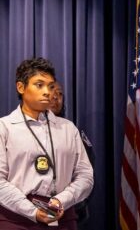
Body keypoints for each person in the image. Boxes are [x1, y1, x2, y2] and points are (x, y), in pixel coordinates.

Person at [0, 57, 94, 229]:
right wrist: (32, 211)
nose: (47, 92)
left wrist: (60, 200)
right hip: (16, 218)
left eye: (51, 86)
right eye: (39, 85)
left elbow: (85, 176)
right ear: (21, 87)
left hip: (63, 214)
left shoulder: (68, 128)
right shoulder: (4, 127)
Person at [49, 82, 96, 230]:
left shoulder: (72, 132)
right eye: (52, 92)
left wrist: (71, 203)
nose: (56, 97)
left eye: (60, 93)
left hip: (70, 212)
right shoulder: (17, 129)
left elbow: (86, 173)